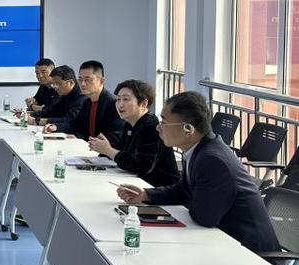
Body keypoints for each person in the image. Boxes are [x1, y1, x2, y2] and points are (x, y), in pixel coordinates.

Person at [117, 91, 280, 253]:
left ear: (188, 129)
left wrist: (188, 199)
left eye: (164, 122)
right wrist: (146, 195)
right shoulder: (198, 148)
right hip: (220, 241)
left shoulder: (212, 160)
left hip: (249, 253)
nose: (158, 127)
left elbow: (205, 217)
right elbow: (184, 190)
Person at [87, 80, 180, 186]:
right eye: (118, 99)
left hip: (158, 188)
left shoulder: (151, 126)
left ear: (143, 104)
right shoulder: (130, 123)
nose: (120, 104)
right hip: (136, 183)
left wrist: (109, 151)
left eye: (125, 99)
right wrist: (101, 147)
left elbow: (142, 166)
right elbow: (122, 151)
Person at [45, 60, 124, 145]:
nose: (82, 84)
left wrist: (83, 139)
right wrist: (56, 127)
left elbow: (115, 137)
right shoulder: (87, 102)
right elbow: (75, 124)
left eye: (87, 79)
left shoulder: (114, 103)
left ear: (101, 81)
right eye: (80, 79)